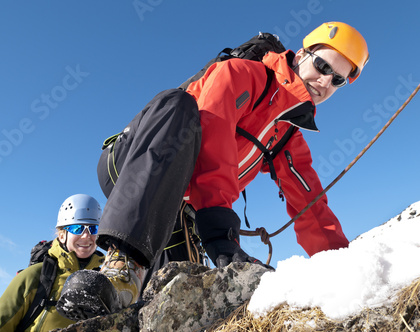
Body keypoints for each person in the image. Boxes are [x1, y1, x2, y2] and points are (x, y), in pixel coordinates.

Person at [64, 21, 370, 316]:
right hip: (131, 166)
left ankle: (120, 303)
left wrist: (340, 268)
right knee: (177, 103)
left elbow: (311, 204)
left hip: (180, 209)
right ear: (302, 55)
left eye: (338, 80)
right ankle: (122, 265)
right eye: (323, 66)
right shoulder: (241, 74)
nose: (326, 81)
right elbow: (214, 131)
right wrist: (219, 227)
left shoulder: (288, 136)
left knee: (175, 299)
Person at [0, 194, 105, 332]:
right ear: (62, 235)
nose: (86, 235)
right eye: (77, 228)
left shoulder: (104, 282)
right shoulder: (34, 276)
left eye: (93, 228)